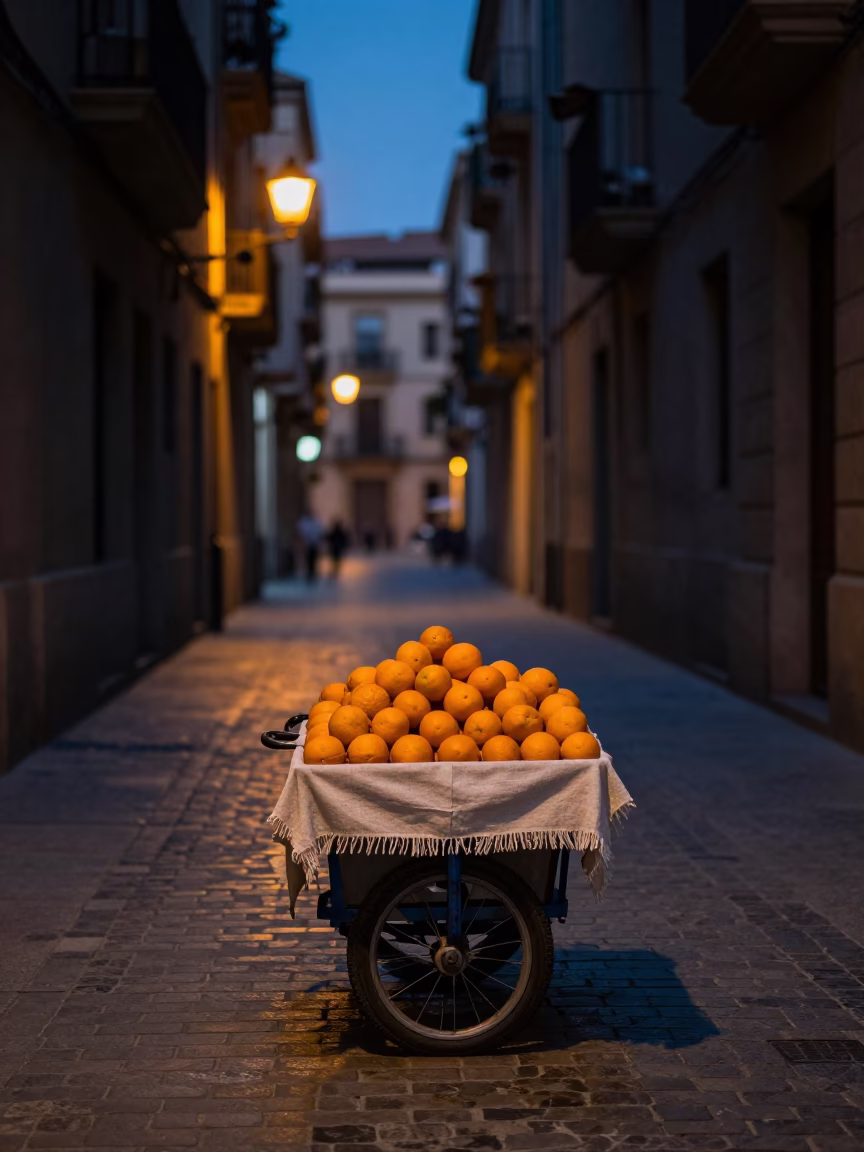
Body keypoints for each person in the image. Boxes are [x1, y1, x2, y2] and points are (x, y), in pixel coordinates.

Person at [296, 511, 324, 583]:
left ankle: (312, 573)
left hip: (314, 544)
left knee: (313, 559)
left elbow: (319, 532)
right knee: (307, 560)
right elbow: (300, 532)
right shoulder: (304, 522)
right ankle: (308, 574)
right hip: (306, 544)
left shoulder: (316, 521)